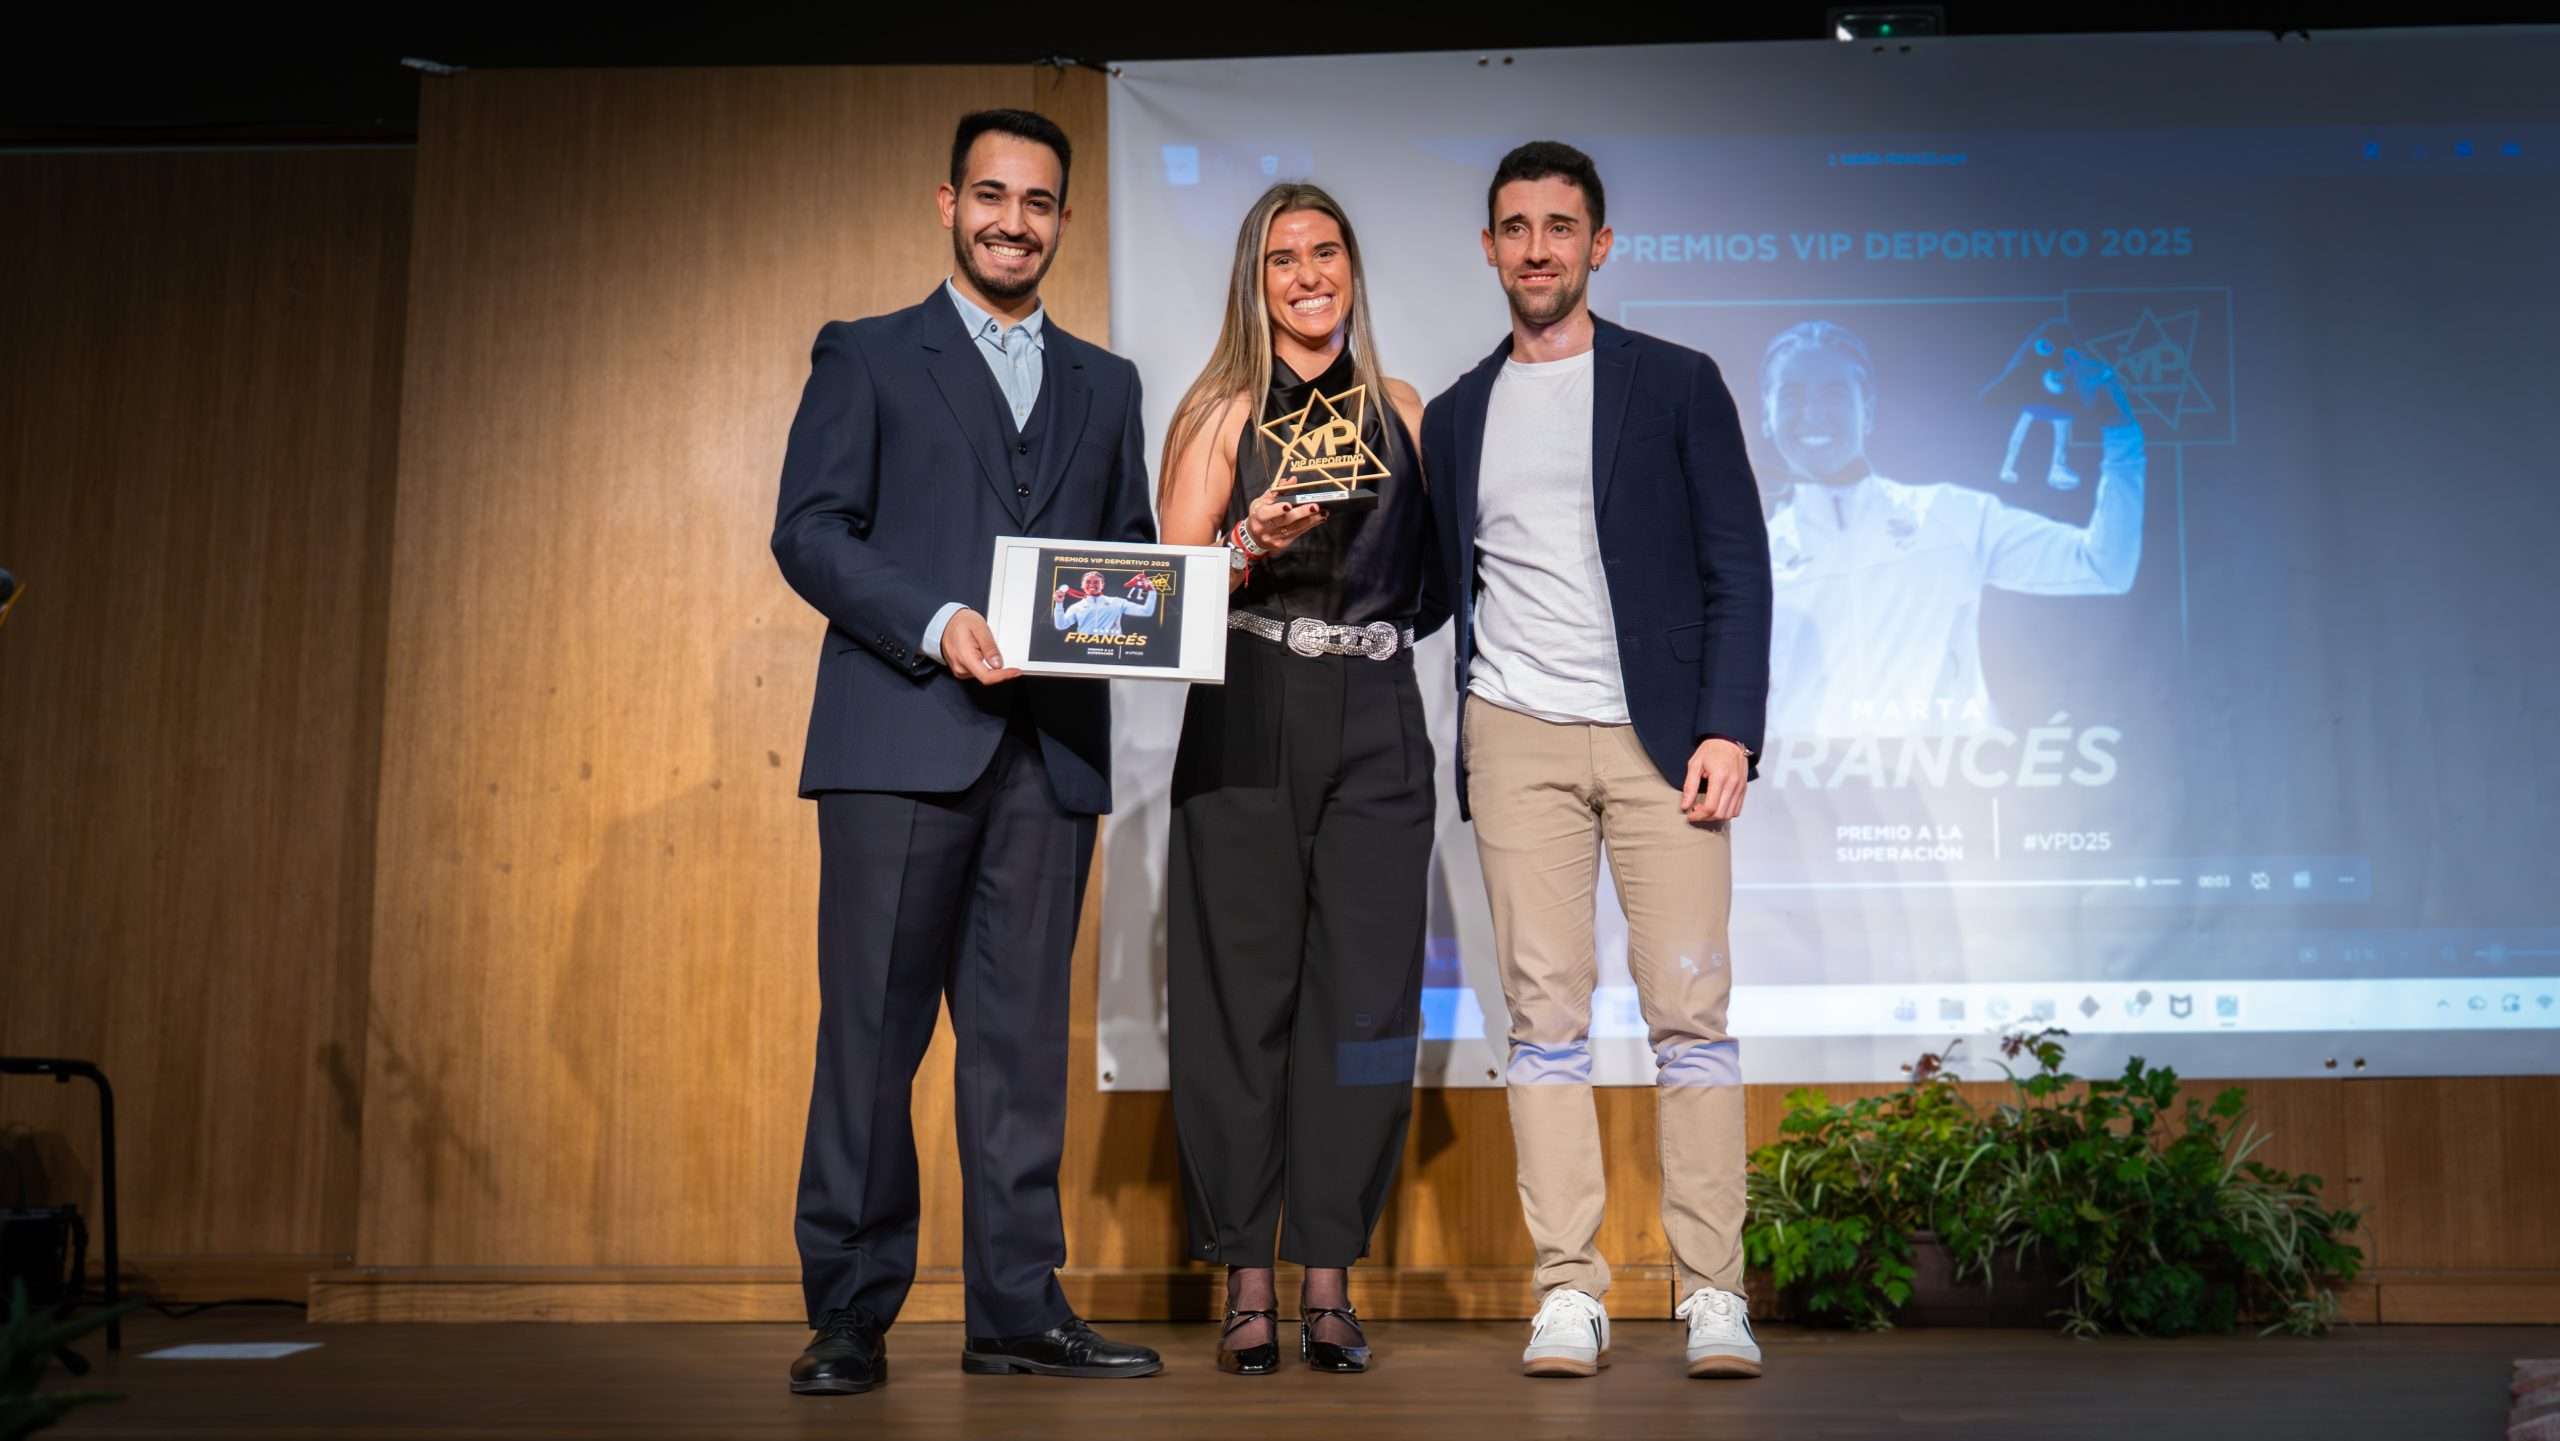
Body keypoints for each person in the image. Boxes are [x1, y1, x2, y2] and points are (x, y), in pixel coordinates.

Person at [769, 107, 1161, 1396]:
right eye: (990, 195)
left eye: (1038, 201)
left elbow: (1123, 564)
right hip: (899, 741)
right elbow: (812, 534)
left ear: (1061, 217)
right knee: (872, 1043)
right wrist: (937, 623)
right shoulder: (869, 354)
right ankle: (850, 1313)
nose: (1013, 220)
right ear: (948, 204)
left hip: (1047, 762)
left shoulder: (1108, 383)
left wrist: (1187, 590)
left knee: (1018, 1050)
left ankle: (1013, 1309)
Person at [1415, 141, 1774, 1380]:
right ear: (1488, 247)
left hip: (1661, 736)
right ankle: (1568, 1287)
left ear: (1598, 244)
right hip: (1513, 734)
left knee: (1690, 1017)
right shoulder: (1458, 412)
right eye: (1513, 227)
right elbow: (1432, 584)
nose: (1535, 248)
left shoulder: (1674, 383)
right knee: (1543, 1021)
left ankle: (1711, 1288)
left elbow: (1739, 565)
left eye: (1558, 227)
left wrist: (1731, 724)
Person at [1158, 182, 1432, 1377]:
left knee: (1365, 1005)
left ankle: (1330, 1273)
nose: (1309, 274)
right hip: (1249, 704)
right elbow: (1165, 604)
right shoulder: (1218, 413)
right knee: (1240, 999)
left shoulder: (1407, 409)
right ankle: (1248, 1276)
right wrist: (1245, 545)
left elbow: (1440, 579)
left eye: (1327, 252)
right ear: (1253, 278)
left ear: (1353, 269)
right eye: (1284, 258)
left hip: (1378, 709)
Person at [1760, 318, 2144, 740]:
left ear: (1867, 409)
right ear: (1766, 414)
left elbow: (2105, 566)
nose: (1812, 414)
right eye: (1792, 395)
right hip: (1804, 796)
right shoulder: (1745, 562)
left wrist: (2120, 434)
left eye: (1834, 393)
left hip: (1947, 795)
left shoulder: (1954, 516)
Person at [1052, 569, 1157, 635]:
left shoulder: (1117, 602)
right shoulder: (1076, 607)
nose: (1092, 584)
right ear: (1082, 586)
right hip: (1082, 649)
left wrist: (1152, 592)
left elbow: (1146, 612)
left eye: (1096, 582)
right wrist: (1059, 603)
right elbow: (1061, 626)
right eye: (1088, 582)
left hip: (1112, 650)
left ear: (1103, 585)